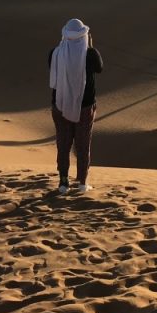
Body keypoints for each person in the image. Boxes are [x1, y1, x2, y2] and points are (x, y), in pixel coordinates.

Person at [48, 18, 103, 194]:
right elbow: (99, 68)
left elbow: (53, 70)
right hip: (85, 106)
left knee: (63, 143)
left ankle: (63, 183)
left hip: (60, 105)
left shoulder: (55, 53)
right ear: (84, 35)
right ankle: (82, 183)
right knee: (82, 144)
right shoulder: (90, 54)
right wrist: (91, 46)